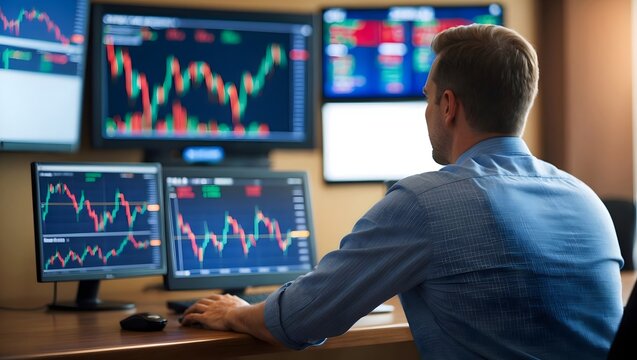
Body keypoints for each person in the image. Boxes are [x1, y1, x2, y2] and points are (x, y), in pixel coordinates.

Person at [180, 24, 624, 359]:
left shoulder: (422, 203)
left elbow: (300, 319)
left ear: (448, 106)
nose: (427, 111)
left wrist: (236, 311)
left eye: (428, 98)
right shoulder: (587, 200)